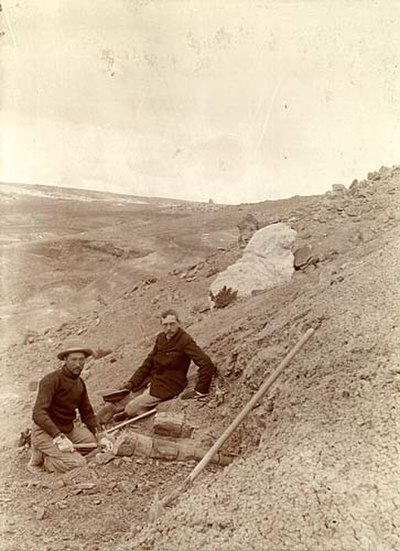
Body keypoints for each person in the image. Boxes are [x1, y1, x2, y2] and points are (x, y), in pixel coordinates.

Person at [113, 309, 216, 422]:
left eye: (172, 324)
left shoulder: (185, 340)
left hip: (170, 385)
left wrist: (200, 390)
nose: (168, 328)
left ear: (178, 323)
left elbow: (206, 363)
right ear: (161, 325)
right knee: (122, 398)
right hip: (154, 380)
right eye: (165, 324)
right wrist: (132, 383)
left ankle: (131, 413)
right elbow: (148, 362)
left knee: (131, 408)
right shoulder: (161, 338)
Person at [29, 340, 112, 474]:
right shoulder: (50, 380)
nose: (78, 364)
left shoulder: (79, 383)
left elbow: (87, 413)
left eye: (81, 360)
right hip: (45, 431)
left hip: (67, 429)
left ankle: (60, 453)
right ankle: (46, 460)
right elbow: (38, 413)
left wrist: (99, 434)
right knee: (78, 463)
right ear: (65, 359)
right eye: (73, 359)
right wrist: (58, 436)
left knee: (93, 443)